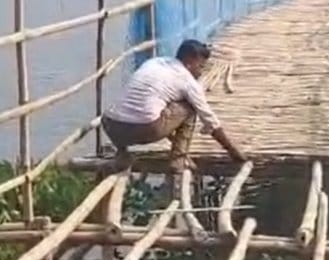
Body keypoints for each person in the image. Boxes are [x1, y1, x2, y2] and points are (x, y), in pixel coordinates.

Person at [101, 39, 247, 170]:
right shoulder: (187, 80)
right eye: (201, 67)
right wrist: (233, 151)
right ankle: (179, 158)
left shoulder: (154, 62)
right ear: (190, 61)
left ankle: (122, 154)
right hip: (145, 128)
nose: (201, 72)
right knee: (190, 107)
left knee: (136, 106)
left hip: (111, 127)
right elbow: (210, 120)